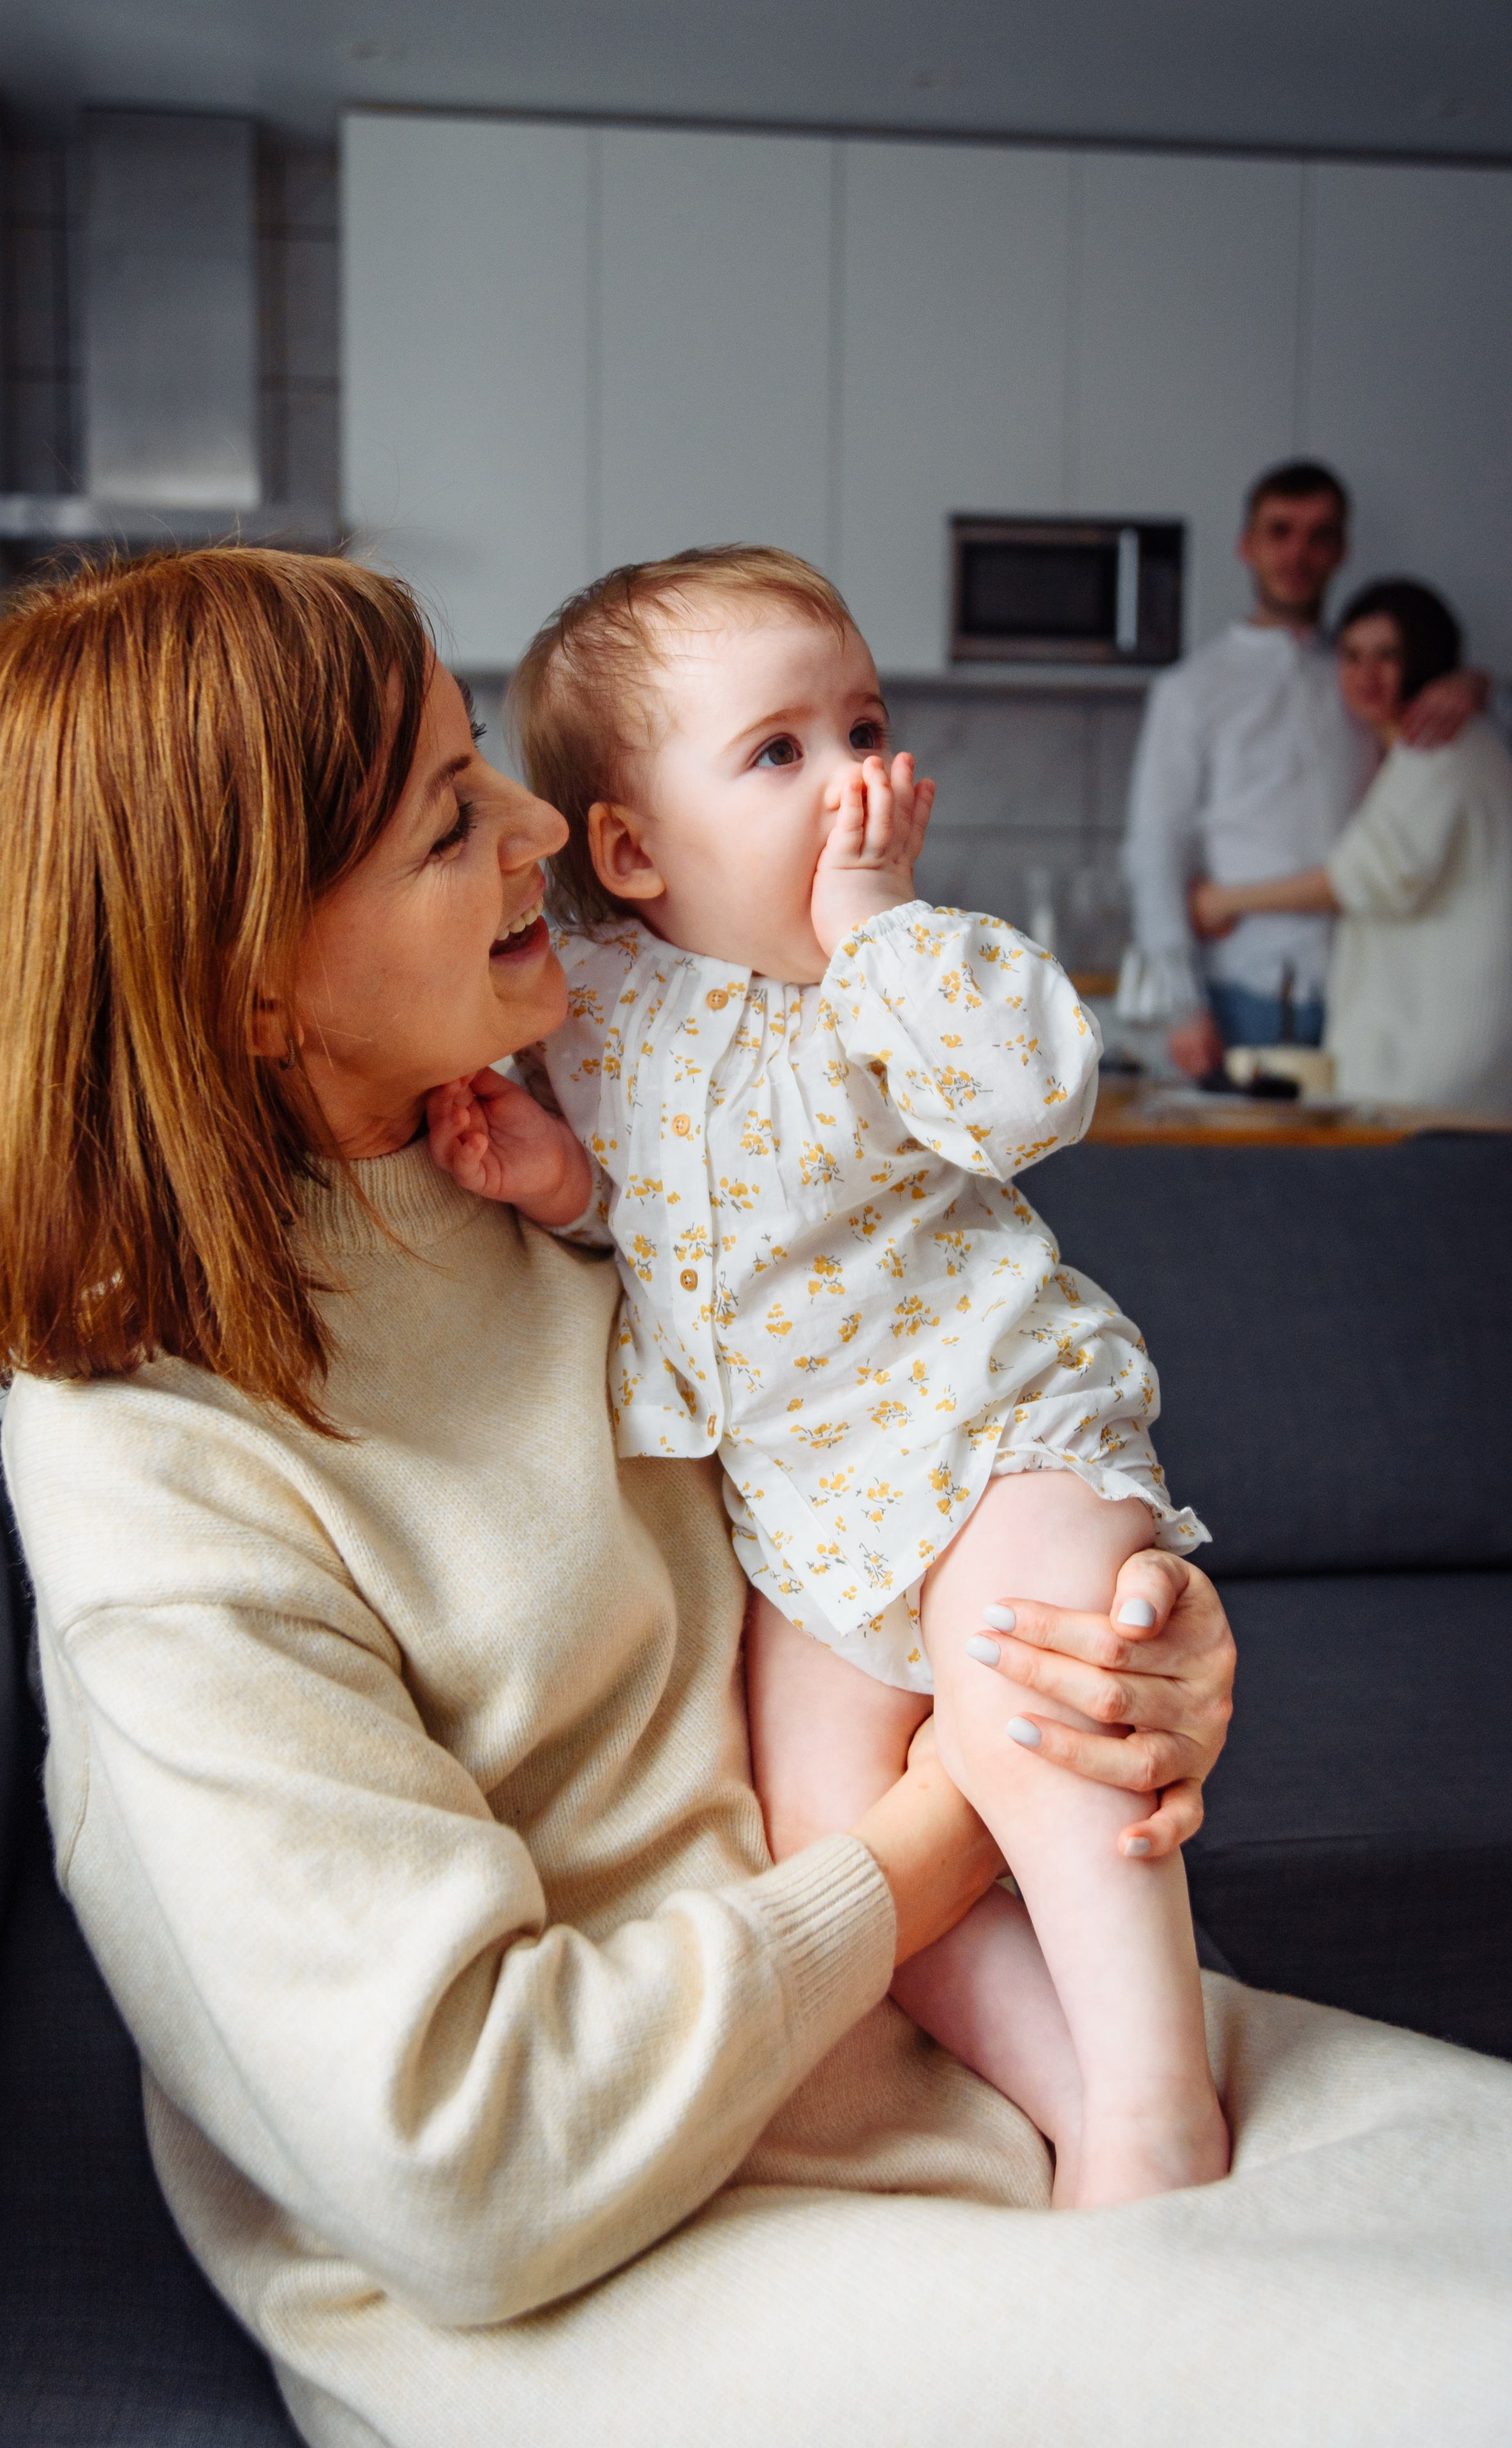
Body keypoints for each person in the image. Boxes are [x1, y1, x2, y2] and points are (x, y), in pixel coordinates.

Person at [0, 548, 1512, 2448]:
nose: (540, 829)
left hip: (957, 2046)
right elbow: (469, 2162)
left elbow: (902, 1493)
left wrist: (1127, 1665)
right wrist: (947, 1818)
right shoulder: (158, 1470)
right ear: (253, 991)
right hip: (635, 2258)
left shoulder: (586, 1161)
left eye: (486, 758)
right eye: (450, 824)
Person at [428, 546, 1224, 2207]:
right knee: (827, 1837)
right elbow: (648, 1223)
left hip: (1009, 1432)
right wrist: (557, 1185)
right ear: (633, 846)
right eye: (779, 751)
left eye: (863, 723)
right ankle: (1072, 2093)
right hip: (814, 1527)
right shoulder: (593, 1010)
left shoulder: (902, 986)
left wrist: (878, 927)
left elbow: (1027, 1102)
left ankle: (1160, 2103)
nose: (856, 775)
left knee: (1039, 1724)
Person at [1121, 459, 1485, 1077]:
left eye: (1319, 534)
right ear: (1247, 545)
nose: (1298, 553)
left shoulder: (1364, 677)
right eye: (1280, 531)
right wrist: (1182, 1007)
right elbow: (1154, 851)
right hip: (1245, 997)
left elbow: (1448, 767)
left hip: (1367, 991)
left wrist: (1475, 683)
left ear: (1341, 550)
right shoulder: (1191, 690)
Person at [1190, 579, 1512, 1117]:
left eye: (1389, 656)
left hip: (1445, 1047)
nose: (1366, 675)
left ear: (1426, 659)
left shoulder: (1437, 747)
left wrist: (1222, 901)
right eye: (1353, 656)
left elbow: (1359, 878)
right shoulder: (1432, 745)